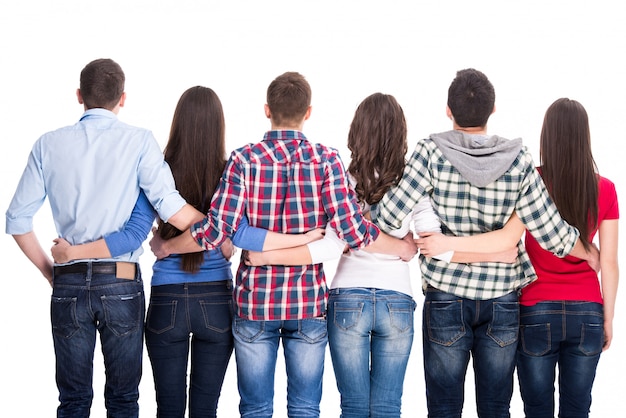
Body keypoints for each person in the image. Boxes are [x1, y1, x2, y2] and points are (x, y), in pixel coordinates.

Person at [149, 72, 417, 418]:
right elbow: (353, 231)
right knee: (305, 408)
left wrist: (170, 247)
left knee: (256, 408)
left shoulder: (243, 160)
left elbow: (218, 231)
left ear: (266, 110)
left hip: (254, 303)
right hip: (306, 303)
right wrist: (400, 247)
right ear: (308, 112)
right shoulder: (327, 161)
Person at [49, 86, 326, 417]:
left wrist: (165, 246)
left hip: (168, 300)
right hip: (216, 301)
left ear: (177, 123)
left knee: (168, 408)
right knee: (205, 409)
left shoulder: (158, 170)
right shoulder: (232, 169)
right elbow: (230, 235)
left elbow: (136, 233)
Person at [243, 92, 521, 418]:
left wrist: (271, 254)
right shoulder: (411, 182)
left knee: (354, 407)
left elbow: (335, 242)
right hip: (397, 300)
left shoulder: (342, 179)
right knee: (389, 407)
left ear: (356, 131)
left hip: (347, 297)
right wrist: (407, 246)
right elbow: (432, 242)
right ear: (400, 133)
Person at [371, 68, 599, 417]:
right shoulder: (519, 160)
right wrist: (590, 253)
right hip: (502, 300)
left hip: (446, 295)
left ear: (448, 110)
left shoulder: (429, 152)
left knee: (444, 408)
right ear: (493, 111)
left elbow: (388, 218)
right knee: (495, 408)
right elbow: (552, 232)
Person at [4, 59, 202, 417]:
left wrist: (53, 273)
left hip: (69, 283)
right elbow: (171, 209)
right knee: (124, 399)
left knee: (73, 400)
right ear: (122, 98)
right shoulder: (140, 141)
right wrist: (222, 223)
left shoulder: (47, 144)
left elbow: (17, 220)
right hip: (121, 283)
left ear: (79, 95)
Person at [515, 98, 619, 417]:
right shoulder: (605, 189)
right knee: (577, 409)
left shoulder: (531, 182)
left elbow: (510, 243)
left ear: (547, 136)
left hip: (535, 307)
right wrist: (608, 318)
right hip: (587, 310)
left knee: (537, 409)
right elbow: (610, 262)